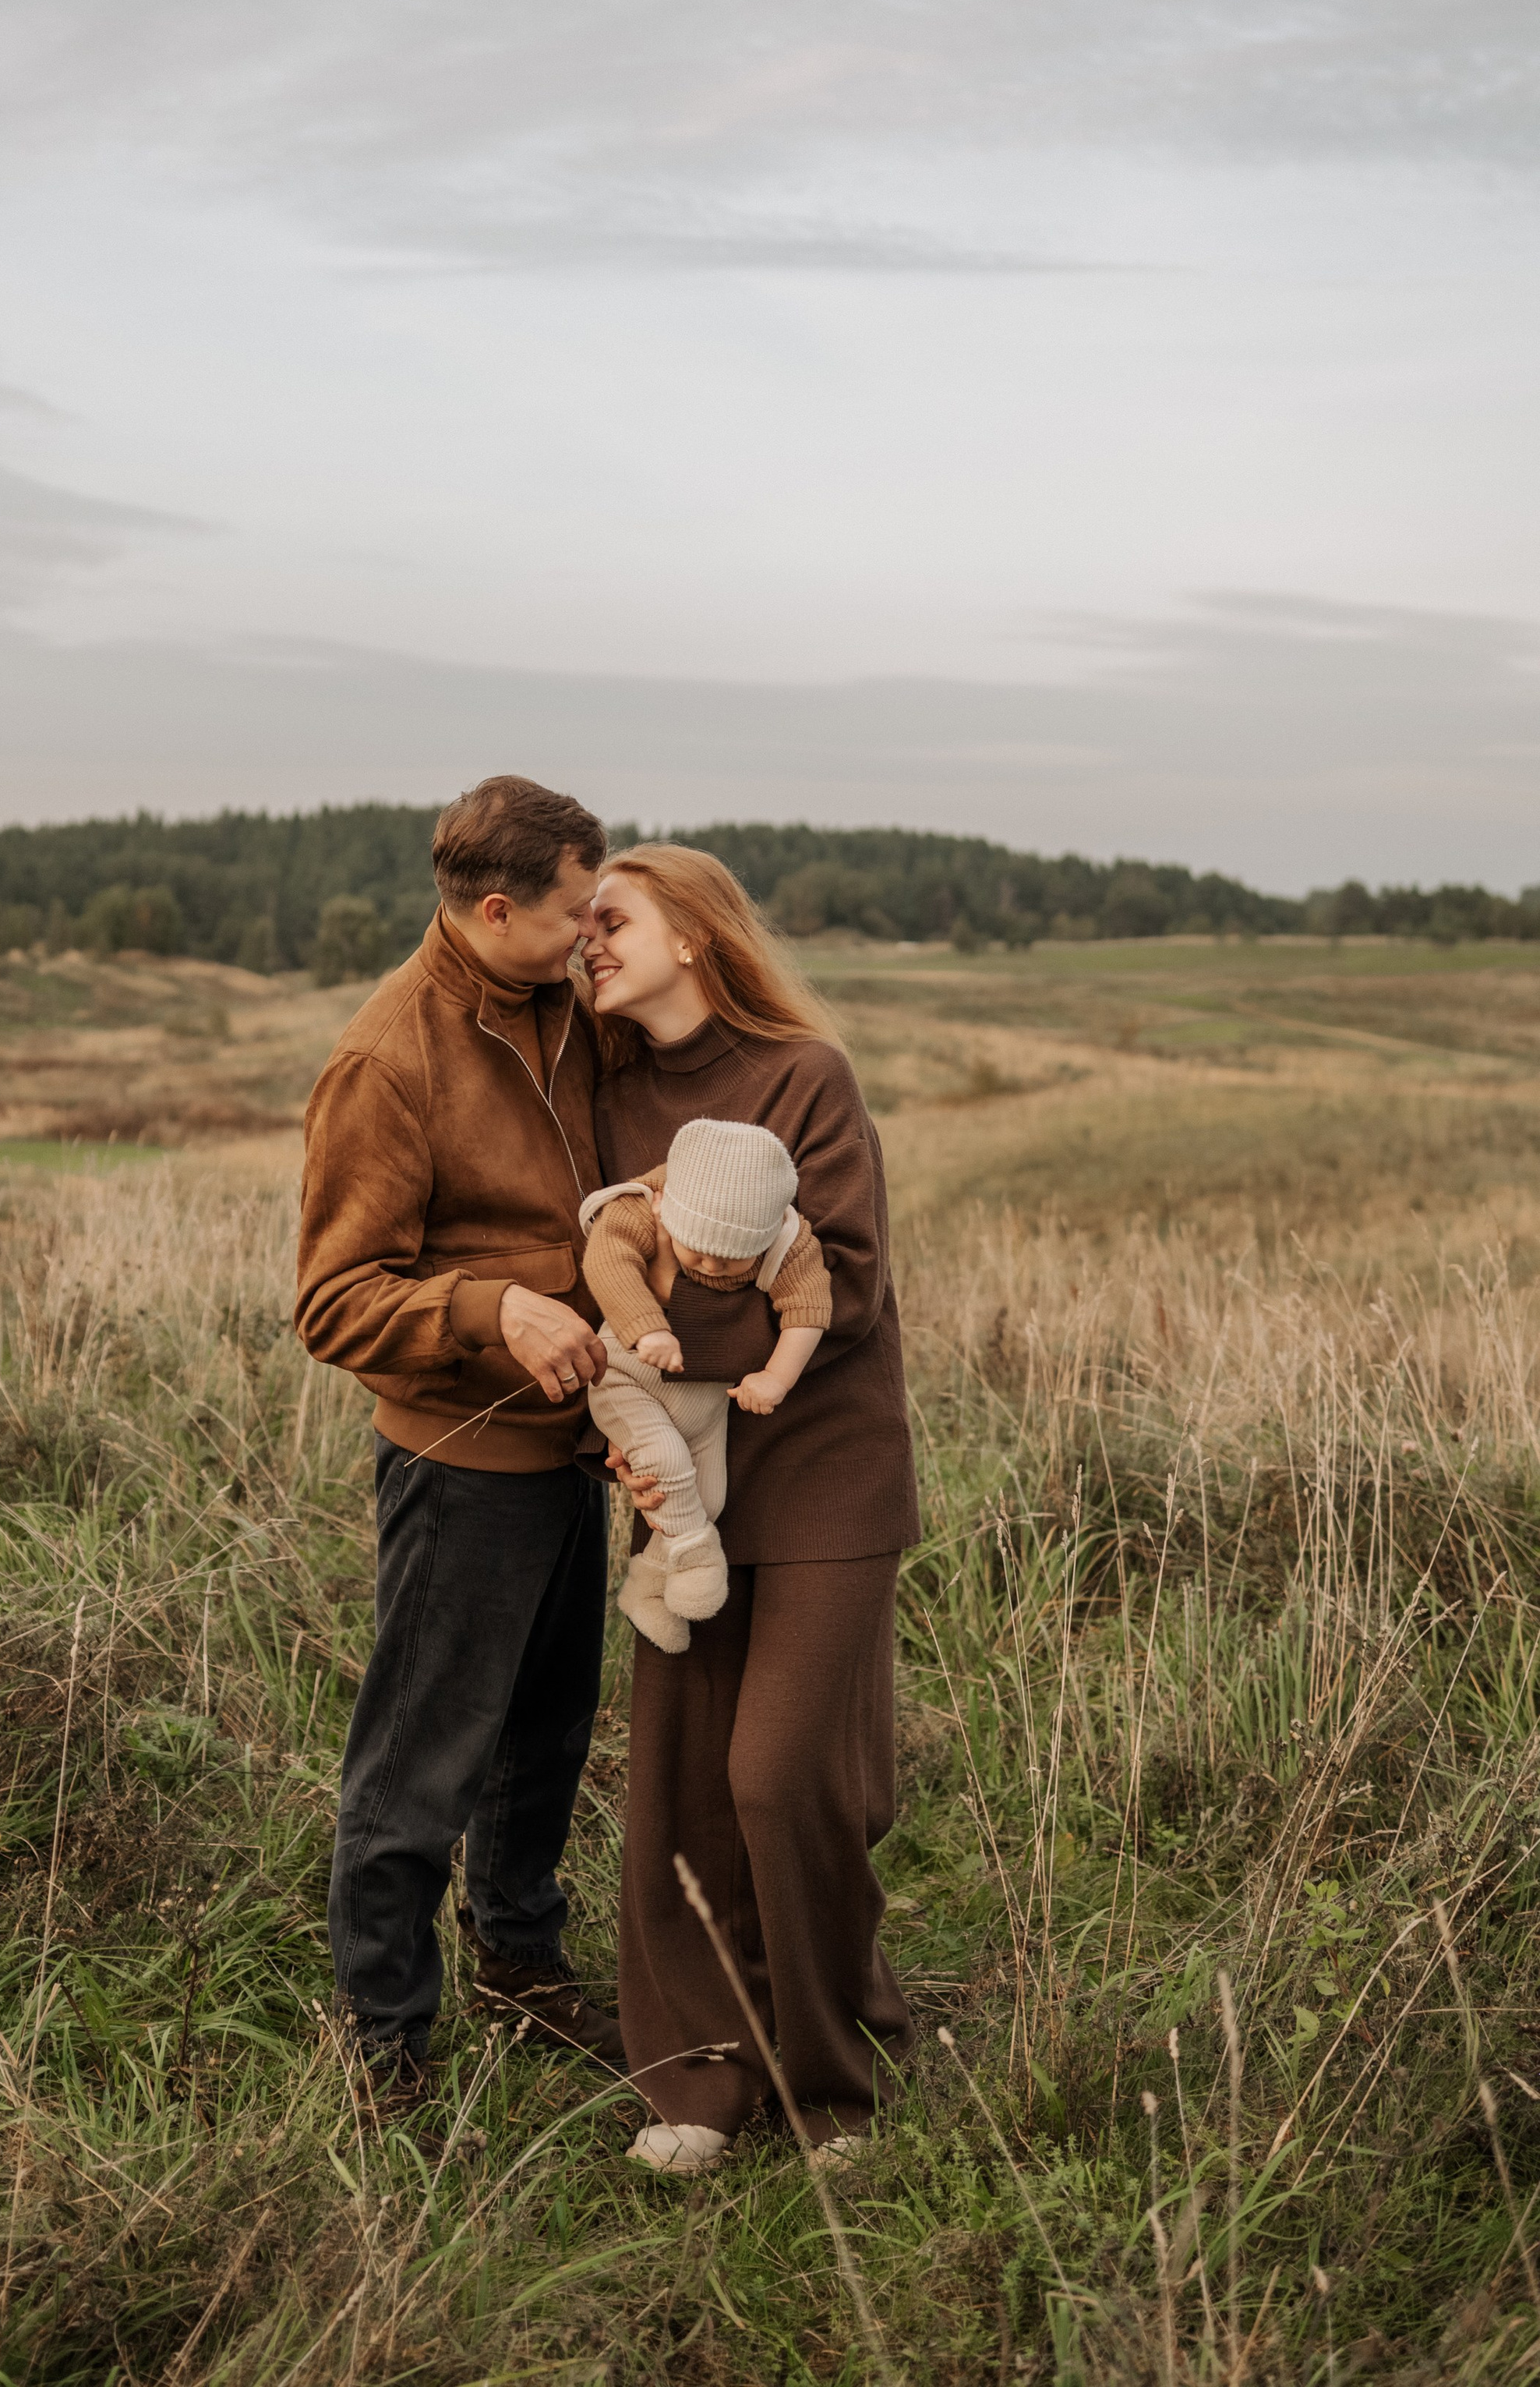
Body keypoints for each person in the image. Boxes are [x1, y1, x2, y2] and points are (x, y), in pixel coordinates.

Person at [581, 843, 920, 2175]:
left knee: (783, 1779)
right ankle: (699, 2078)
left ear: (697, 936)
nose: (588, 939)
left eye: (614, 918)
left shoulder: (804, 1075)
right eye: (581, 924)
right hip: (685, 1488)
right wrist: (622, 1405)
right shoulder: (606, 1096)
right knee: (677, 1793)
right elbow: (600, 1267)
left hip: (825, 1463)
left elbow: (839, 1293)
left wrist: (646, 1332)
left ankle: (833, 2074)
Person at [297, 773, 624, 2105]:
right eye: (573, 914)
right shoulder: (389, 1059)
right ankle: (385, 2044)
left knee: (547, 1736)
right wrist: (496, 1310)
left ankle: (521, 1963)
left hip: (577, 1447)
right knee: (422, 1758)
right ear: (495, 911)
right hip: (461, 1462)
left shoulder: (573, 1007)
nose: (594, 934)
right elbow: (332, 1300)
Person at [578, 1118, 832, 1646]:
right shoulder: (641, 1204)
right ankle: (699, 1560)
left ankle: (646, 1588)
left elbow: (808, 1306)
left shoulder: (787, 1238)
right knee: (666, 1463)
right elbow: (608, 1259)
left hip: (706, 1400)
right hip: (627, 1379)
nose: (713, 1266)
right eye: (697, 1250)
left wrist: (776, 1377)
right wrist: (645, 1327)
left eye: (733, 1258)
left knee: (708, 1496)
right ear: (669, 1208)